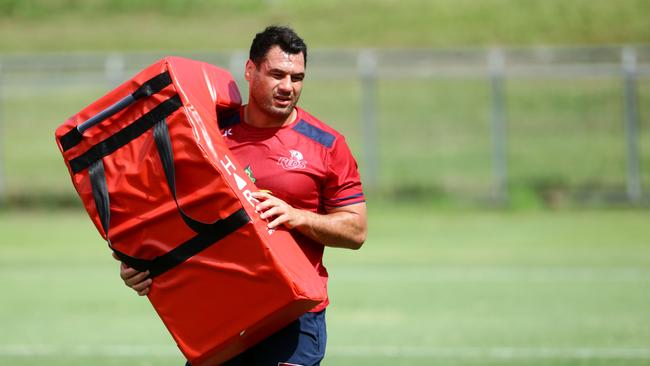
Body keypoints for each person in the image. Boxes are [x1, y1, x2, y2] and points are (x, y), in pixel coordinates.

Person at [116, 25, 367, 365]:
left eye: (297, 77)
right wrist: (141, 264)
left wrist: (297, 216)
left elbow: (355, 230)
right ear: (250, 70)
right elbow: (170, 210)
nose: (287, 87)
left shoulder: (326, 144)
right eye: (277, 74)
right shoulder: (208, 133)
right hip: (222, 309)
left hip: (294, 315)